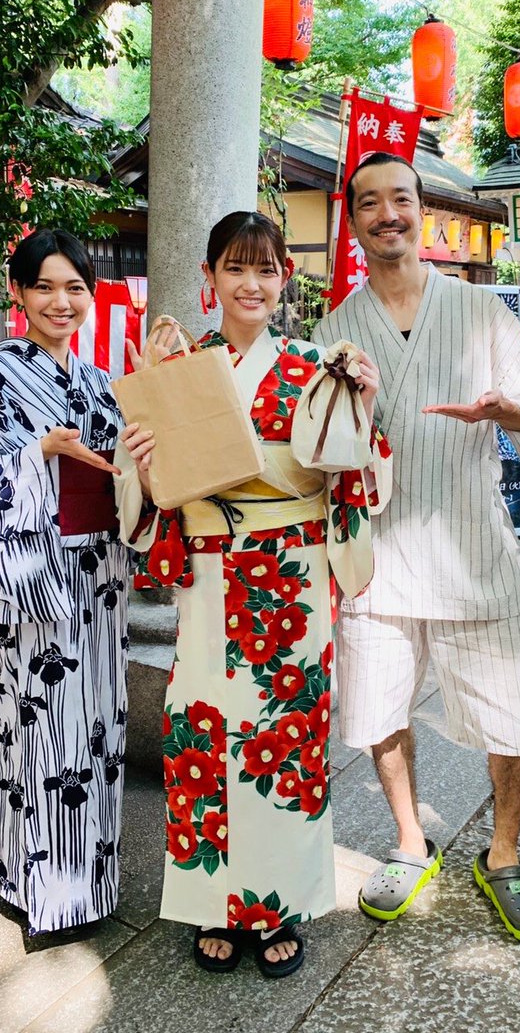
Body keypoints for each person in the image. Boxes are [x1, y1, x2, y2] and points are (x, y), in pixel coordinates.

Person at [116, 211, 390, 978]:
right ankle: (213, 907)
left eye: (267, 270)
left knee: (287, 738)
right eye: (236, 268)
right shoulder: (180, 372)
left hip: (292, 583)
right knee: (204, 733)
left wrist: (362, 405)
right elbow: (145, 494)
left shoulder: (313, 365)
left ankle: (281, 903)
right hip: (209, 577)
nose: (252, 284)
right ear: (210, 279)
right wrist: (137, 460)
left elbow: (362, 470)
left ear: (283, 282)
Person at [313, 153, 520, 942]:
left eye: (400, 198)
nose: (387, 213)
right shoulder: (333, 332)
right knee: (380, 713)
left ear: (420, 209)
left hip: (472, 548)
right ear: (352, 220)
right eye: (369, 203)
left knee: (514, 721)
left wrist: (510, 410)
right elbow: (315, 450)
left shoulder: (481, 311)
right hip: (379, 561)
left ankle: (500, 857)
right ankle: (407, 840)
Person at [0, 229, 129, 937]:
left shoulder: (98, 378)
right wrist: (34, 454)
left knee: (100, 726)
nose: (61, 301)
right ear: (17, 293)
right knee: (41, 731)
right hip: (37, 577)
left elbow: (128, 467)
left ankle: (94, 885)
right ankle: (41, 892)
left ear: (90, 296)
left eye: (75, 287)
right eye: (44, 286)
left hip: (101, 576)